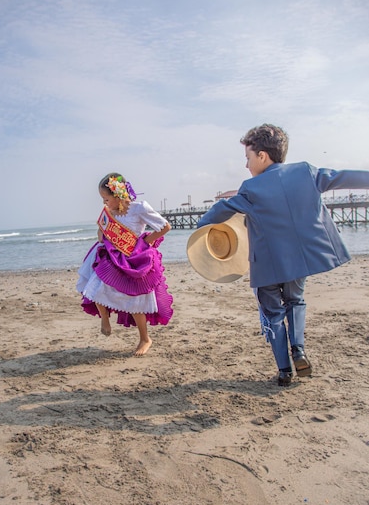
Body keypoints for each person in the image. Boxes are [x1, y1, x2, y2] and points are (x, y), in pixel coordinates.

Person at [197, 124, 369, 386]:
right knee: (295, 301)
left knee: (273, 314)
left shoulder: (250, 188)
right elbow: (344, 176)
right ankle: (298, 349)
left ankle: (284, 371)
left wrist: (202, 226)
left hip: (266, 265)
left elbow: (223, 209)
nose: (246, 165)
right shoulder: (305, 172)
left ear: (262, 156)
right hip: (298, 260)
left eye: (248, 158)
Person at [77, 173, 173, 356]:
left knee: (134, 300)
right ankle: (104, 317)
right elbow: (102, 230)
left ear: (118, 194)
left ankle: (145, 338)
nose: (104, 203)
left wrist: (146, 242)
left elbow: (165, 226)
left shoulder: (139, 208)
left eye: (106, 198)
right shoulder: (110, 211)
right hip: (111, 255)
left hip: (133, 258)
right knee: (94, 287)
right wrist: (101, 238)